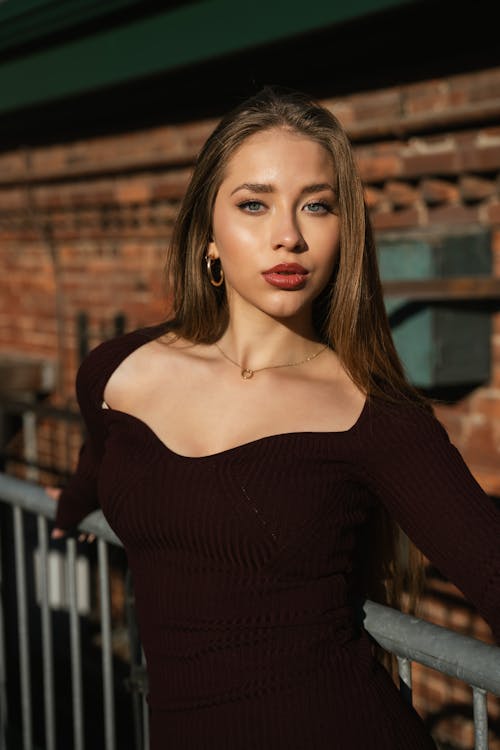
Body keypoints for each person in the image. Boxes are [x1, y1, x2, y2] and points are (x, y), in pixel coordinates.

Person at [49, 86, 500, 749]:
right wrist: (71, 510)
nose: (288, 236)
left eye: (317, 206)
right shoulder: (117, 372)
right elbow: (102, 458)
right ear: (206, 235)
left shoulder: (373, 413)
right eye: (254, 204)